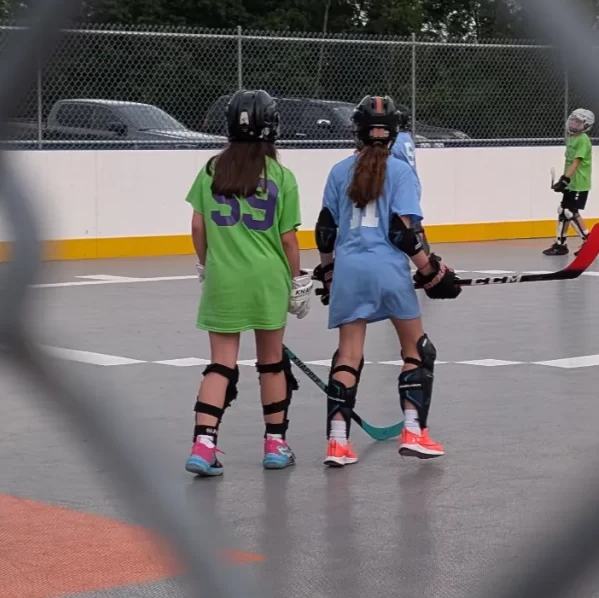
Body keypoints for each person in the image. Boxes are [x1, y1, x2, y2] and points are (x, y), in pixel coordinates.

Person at [313, 95, 461, 467]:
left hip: (349, 271)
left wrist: (329, 274)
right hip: (389, 273)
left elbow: (325, 231)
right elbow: (403, 234)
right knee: (416, 349)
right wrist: (431, 271)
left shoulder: (338, 171)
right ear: (394, 133)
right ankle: (413, 431)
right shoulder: (401, 172)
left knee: (348, 354)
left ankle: (337, 442)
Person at [184, 89, 312, 477]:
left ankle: (204, 445)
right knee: (271, 362)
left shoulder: (211, 171)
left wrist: (207, 264)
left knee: (221, 364)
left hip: (225, 278)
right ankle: (275, 443)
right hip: (267, 279)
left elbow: (196, 225)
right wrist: (296, 280)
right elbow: (288, 238)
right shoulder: (281, 177)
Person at [544, 108, 594, 256]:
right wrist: (564, 180)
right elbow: (569, 162)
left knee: (570, 211)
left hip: (579, 183)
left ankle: (588, 241)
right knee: (562, 211)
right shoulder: (572, 138)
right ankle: (560, 244)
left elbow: (576, 162)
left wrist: (564, 179)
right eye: (573, 119)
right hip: (571, 182)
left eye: (578, 121)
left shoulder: (583, 140)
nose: (573, 123)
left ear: (586, 125)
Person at [389, 106, 430, 255]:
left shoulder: (394, 142)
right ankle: (426, 256)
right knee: (412, 221)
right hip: (413, 183)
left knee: (406, 223)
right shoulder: (406, 137)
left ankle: (426, 258)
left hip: (404, 186)